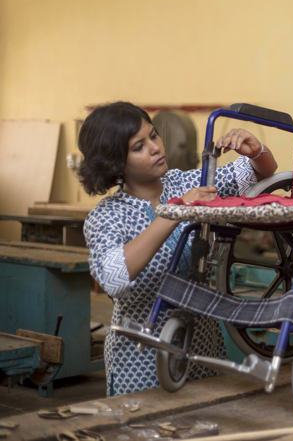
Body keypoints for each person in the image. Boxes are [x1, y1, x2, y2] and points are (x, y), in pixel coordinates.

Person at [77, 101, 277, 396]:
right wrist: (176, 210)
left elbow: (260, 174)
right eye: (138, 147)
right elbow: (114, 278)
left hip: (203, 347)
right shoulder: (106, 216)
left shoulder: (185, 182)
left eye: (154, 136)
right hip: (142, 357)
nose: (156, 148)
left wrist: (256, 150)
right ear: (113, 163)